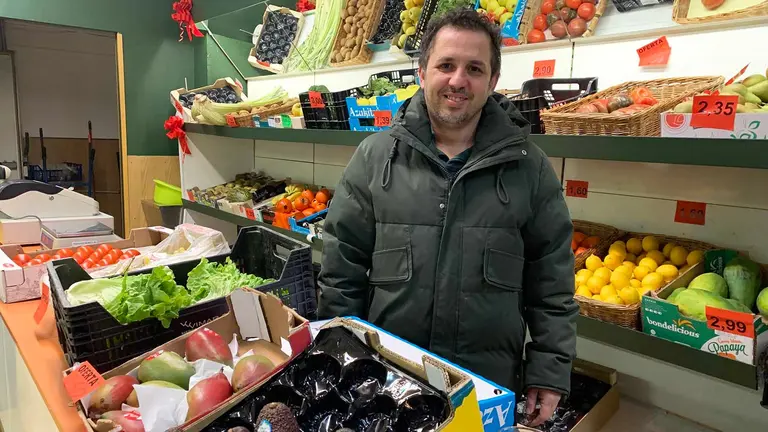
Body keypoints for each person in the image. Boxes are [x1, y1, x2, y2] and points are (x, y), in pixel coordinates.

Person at [317, 8, 577, 427]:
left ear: (493, 80)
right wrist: (339, 353)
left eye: (475, 68)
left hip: (484, 385)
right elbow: (341, 268)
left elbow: (553, 282)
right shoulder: (375, 158)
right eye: (446, 65)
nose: (458, 80)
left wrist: (549, 370)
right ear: (422, 73)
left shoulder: (529, 167)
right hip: (389, 379)